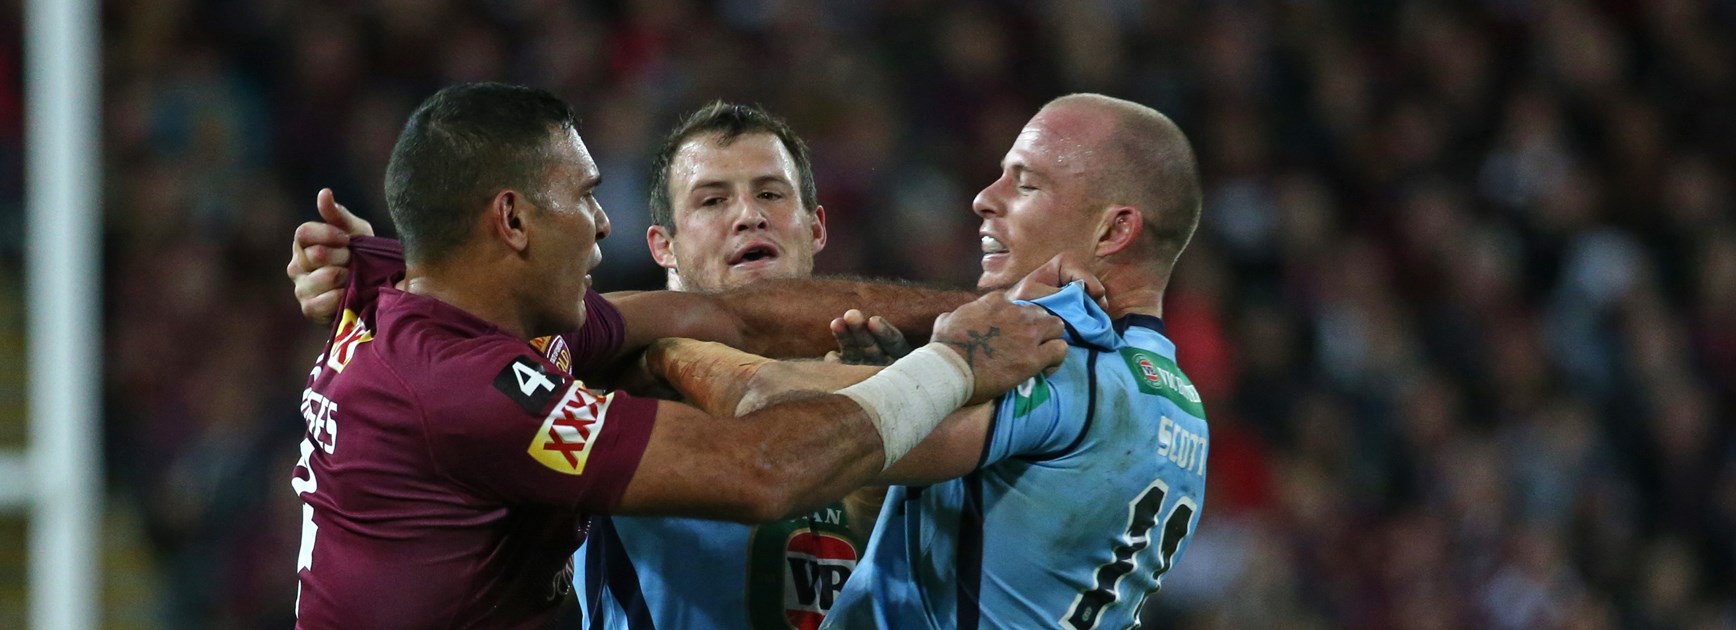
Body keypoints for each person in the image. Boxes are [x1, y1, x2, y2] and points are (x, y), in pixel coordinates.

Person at [287, 82, 1069, 629]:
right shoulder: (489, 383)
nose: (602, 224)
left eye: (770, 194)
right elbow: (759, 470)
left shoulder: (521, 326)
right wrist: (955, 366)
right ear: (515, 222)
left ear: (817, 225)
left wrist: (989, 317)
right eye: (711, 199)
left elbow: (737, 317)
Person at [645, 93, 1210, 629]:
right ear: (662, 243)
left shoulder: (1052, 360)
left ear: (1114, 229)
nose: (985, 198)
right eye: (712, 199)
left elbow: (777, 410)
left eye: (1027, 183)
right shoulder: (1174, 400)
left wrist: (653, 341)